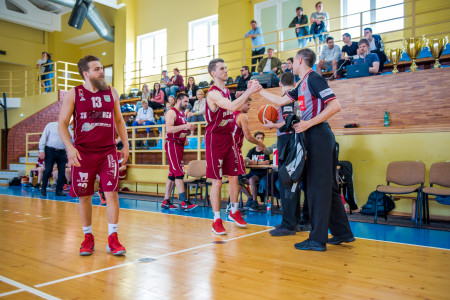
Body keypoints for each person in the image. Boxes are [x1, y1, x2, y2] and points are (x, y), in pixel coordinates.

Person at [258, 48, 354, 251]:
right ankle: (342, 233)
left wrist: (308, 123)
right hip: (312, 135)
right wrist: (259, 90)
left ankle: (317, 239)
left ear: (300, 60)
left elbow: (335, 106)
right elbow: (282, 100)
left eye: (293, 60)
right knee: (328, 187)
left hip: (318, 135)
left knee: (316, 188)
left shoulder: (314, 79)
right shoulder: (301, 84)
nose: (290, 63)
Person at [58, 55, 129, 256]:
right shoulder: (74, 93)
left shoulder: (111, 91)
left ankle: (112, 238)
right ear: (86, 73)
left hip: (108, 152)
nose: (101, 72)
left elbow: (119, 121)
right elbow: (62, 123)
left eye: (101, 68)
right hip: (83, 153)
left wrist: (126, 145)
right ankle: (88, 237)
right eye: (97, 69)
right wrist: (69, 147)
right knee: (84, 196)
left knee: (112, 193)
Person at [205, 58, 262, 235]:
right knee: (217, 181)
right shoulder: (213, 94)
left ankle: (234, 210)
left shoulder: (226, 91)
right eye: (222, 68)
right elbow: (231, 106)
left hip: (228, 138)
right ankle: (216, 220)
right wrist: (249, 91)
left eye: (226, 67)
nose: (226, 70)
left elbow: (234, 105)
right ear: (214, 73)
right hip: (214, 139)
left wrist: (244, 93)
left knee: (234, 176)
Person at [263, 72, 309, 235]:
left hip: (288, 142)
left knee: (286, 183)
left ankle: (288, 224)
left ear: (280, 84)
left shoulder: (286, 98)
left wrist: (273, 124)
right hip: (296, 141)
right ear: (295, 82)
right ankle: (293, 221)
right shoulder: (297, 97)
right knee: (292, 183)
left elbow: (289, 121)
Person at [162, 93, 197, 211]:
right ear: (178, 100)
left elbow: (180, 129)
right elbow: (168, 129)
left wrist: (184, 138)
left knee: (172, 174)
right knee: (179, 172)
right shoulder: (171, 112)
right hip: (172, 145)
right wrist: (186, 126)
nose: (187, 104)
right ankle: (183, 202)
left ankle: (166, 201)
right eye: (185, 102)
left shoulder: (182, 113)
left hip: (179, 144)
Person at [233, 98, 266, 210]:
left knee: (237, 180)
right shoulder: (241, 116)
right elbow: (248, 137)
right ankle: (234, 207)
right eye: (248, 104)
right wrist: (261, 144)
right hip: (234, 151)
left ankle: (249, 200)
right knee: (238, 181)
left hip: (228, 151)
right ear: (241, 104)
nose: (249, 107)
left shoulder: (230, 116)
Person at [39, 121, 70, 197]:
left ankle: (59, 191)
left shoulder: (67, 128)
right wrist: (41, 150)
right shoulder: (50, 125)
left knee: (62, 171)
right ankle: (43, 188)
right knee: (48, 170)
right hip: (50, 150)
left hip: (62, 151)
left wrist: (70, 140)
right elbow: (43, 137)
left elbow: (71, 140)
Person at [242, 132, 270, 211]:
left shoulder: (265, 150)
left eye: (261, 138)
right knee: (238, 180)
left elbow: (267, 162)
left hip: (261, 174)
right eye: (258, 138)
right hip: (252, 173)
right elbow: (247, 160)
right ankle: (250, 197)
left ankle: (255, 202)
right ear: (254, 140)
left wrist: (257, 163)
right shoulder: (251, 151)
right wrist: (245, 161)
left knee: (251, 179)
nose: (260, 140)